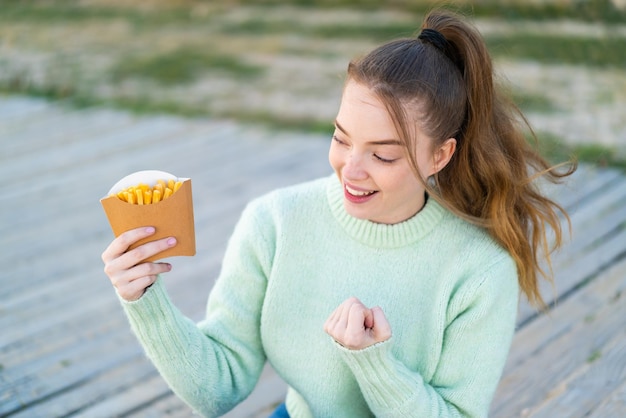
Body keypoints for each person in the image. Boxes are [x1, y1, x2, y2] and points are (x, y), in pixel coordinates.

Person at [102, 8, 575, 418]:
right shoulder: (275, 223)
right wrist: (146, 300)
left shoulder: (479, 270)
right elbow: (217, 390)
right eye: (341, 137)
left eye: (383, 155)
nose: (350, 169)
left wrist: (375, 365)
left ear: (440, 156)